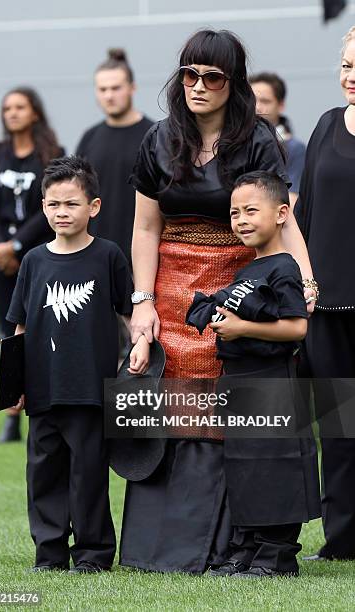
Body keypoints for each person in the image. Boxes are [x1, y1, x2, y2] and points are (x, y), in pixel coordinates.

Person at [119, 29, 315, 575]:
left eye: (212, 77)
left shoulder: (257, 138)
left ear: (234, 83)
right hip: (170, 288)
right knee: (173, 403)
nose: (198, 86)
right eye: (189, 74)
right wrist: (141, 302)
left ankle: (240, 544)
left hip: (239, 283)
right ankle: (160, 547)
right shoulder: (157, 139)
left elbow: (283, 219)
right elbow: (143, 228)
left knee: (236, 409)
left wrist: (305, 283)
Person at [6, 156, 149, 573]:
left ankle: (93, 553)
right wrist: (15, 384)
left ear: (94, 207)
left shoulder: (108, 256)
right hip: (42, 389)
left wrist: (139, 345)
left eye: (71, 204)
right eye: (53, 204)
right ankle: (49, 553)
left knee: (88, 474)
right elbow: (20, 325)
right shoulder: (33, 260)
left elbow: (129, 314)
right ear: (43, 206)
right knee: (44, 473)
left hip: (90, 388)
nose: (61, 212)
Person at [202, 171, 320, 578]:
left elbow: (297, 328)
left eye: (252, 210)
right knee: (245, 465)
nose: (241, 219)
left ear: (282, 213)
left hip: (272, 380)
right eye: (235, 212)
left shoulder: (284, 267)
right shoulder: (248, 270)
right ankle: (247, 547)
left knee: (274, 465)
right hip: (240, 380)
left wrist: (241, 328)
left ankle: (277, 554)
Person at [295, 26, 355, 561]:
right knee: (338, 427)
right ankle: (342, 540)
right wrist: (304, 282)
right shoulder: (325, 125)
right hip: (329, 305)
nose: (351, 78)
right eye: (346, 66)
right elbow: (305, 213)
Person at [0, 86, 64, 442]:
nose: (12, 113)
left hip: (38, 255)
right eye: (7, 108)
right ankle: (12, 418)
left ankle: (51, 408)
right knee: (8, 335)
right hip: (0, 261)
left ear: (34, 113)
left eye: (19, 107)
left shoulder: (51, 154)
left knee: (43, 331)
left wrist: (16, 246)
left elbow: (51, 207)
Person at [76, 48, 153, 265]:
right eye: (102, 89)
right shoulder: (90, 137)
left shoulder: (155, 136)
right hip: (94, 256)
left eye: (116, 88)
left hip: (142, 256)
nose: (109, 96)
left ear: (132, 88)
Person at [249, 72, 306, 206]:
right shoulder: (233, 142)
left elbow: (290, 200)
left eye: (265, 101)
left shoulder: (294, 148)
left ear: (281, 105)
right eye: (252, 100)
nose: (257, 107)